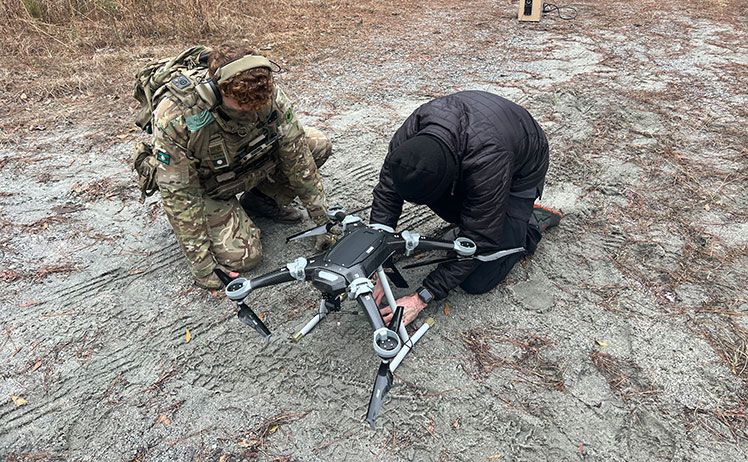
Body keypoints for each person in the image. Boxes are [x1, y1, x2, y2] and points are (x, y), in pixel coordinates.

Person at [147, 43, 333, 289]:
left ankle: (261, 201)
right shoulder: (177, 116)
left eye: (257, 103)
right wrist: (202, 266)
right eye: (241, 104)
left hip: (248, 164)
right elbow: (180, 194)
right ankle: (229, 214)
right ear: (215, 91)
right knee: (244, 257)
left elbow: (297, 158)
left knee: (316, 144)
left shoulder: (268, 94)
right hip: (210, 186)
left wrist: (322, 222)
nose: (251, 111)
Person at [369, 90, 562, 325]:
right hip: (481, 137)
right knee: (465, 218)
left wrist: (421, 298)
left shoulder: (486, 162)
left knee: (478, 279)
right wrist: (378, 260)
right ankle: (490, 214)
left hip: (522, 167)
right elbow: (387, 191)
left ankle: (531, 221)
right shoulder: (409, 139)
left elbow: (480, 238)